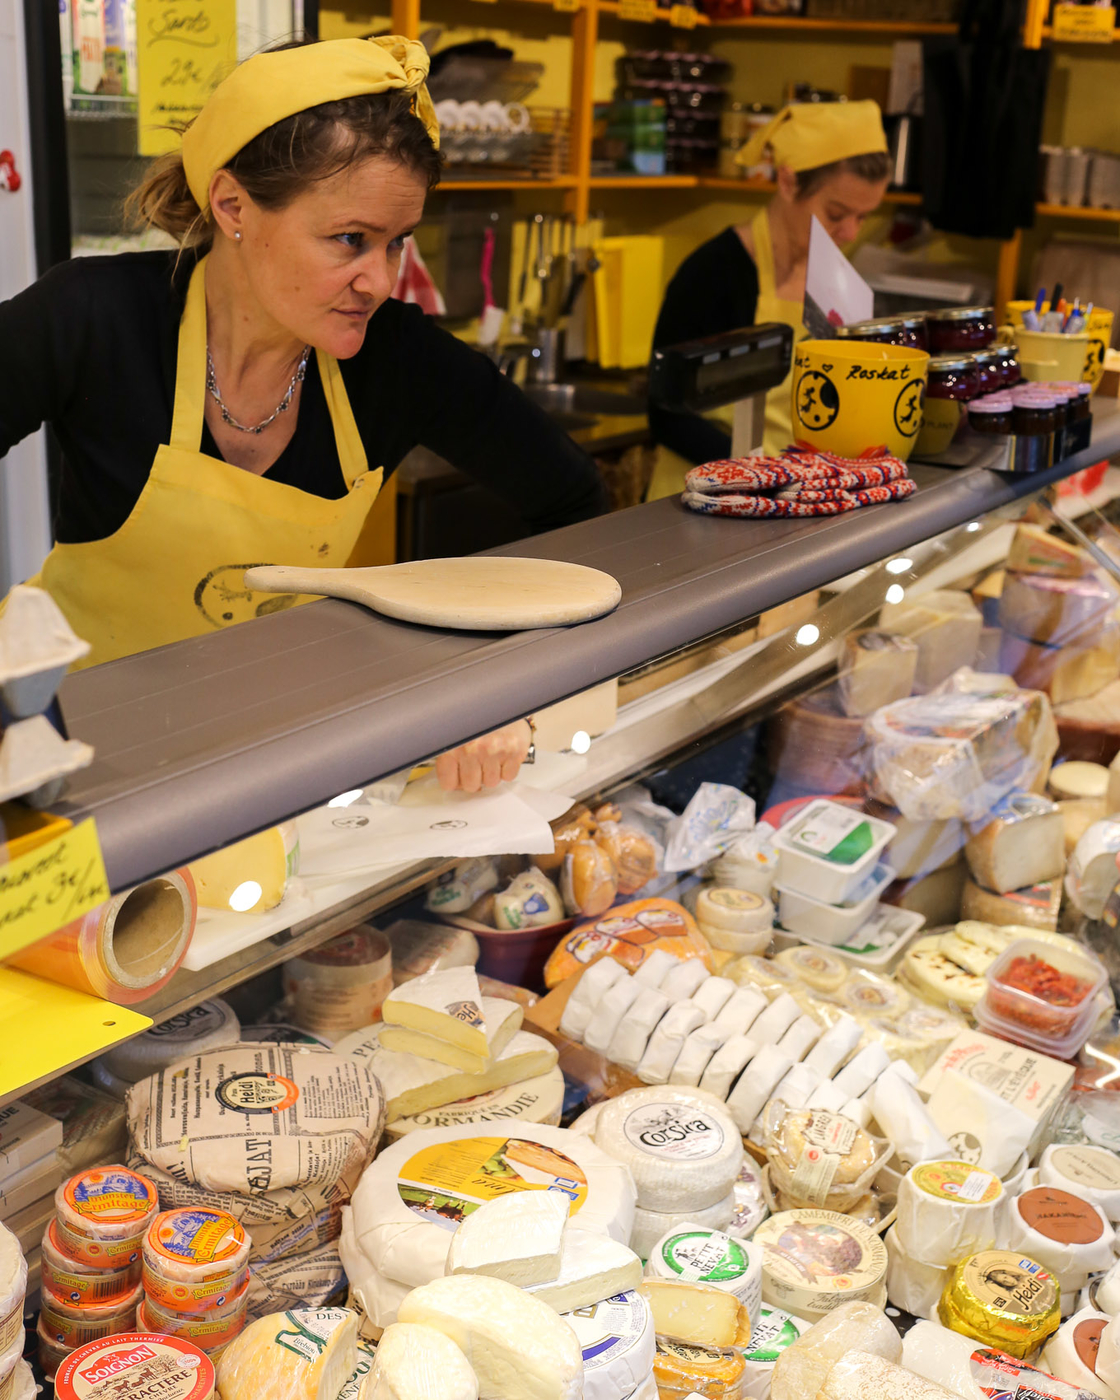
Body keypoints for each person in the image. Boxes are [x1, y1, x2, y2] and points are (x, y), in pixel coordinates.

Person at [0, 36, 607, 792]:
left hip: (273, 756)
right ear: (232, 207)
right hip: (71, 754)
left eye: (397, 244)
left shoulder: (398, 360)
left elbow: (577, 506)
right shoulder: (91, 317)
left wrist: (505, 681)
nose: (379, 282)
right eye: (350, 240)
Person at [647, 100, 890, 496]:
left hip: (793, 496)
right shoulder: (714, 273)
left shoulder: (838, 281)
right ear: (788, 182)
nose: (850, 233)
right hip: (704, 497)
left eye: (863, 217)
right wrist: (761, 478)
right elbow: (668, 416)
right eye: (836, 213)